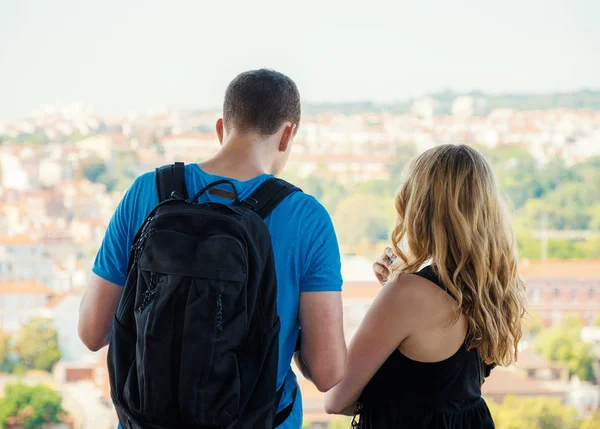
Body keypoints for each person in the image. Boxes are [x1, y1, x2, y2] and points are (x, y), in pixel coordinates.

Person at [78, 69, 347, 428]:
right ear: (287, 135)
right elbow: (328, 372)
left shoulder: (147, 191)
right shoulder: (307, 218)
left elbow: (92, 332)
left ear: (222, 128)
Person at [324, 144, 526, 428]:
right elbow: (439, 386)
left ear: (418, 207)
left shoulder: (407, 295)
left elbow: (335, 400)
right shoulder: (491, 291)